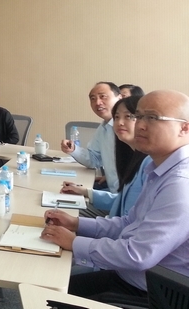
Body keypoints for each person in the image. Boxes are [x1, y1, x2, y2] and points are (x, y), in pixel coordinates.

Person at [42, 90, 189, 304]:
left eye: (152, 117)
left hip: (155, 295)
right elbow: (129, 223)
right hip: (128, 276)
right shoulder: (158, 169)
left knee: (48, 296)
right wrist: (76, 223)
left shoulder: (180, 183)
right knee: (48, 289)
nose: (140, 125)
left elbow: (138, 254)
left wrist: (74, 242)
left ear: (184, 127)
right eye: (138, 116)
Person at [61, 96, 148, 217]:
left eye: (128, 116)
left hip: (119, 222)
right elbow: (122, 201)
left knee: (65, 212)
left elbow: (127, 213)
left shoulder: (148, 162)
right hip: (116, 215)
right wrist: (85, 192)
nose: (120, 122)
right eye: (116, 117)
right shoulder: (128, 152)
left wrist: (77, 223)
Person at [61, 82, 122, 194]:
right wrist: (74, 150)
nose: (97, 102)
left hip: (121, 198)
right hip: (111, 192)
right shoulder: (104, 127)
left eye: (103, 96)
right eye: (93, 99)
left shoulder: (128, 131)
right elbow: (94, 159)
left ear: (119, 98)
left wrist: (87, 192)